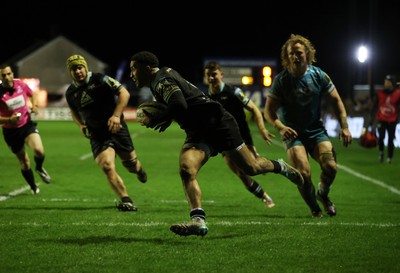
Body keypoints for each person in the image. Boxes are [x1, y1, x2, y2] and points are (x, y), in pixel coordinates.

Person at [129, 51, 304, 237]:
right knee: (187, 169)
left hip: (218, 124)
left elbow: (179, 105)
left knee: (251, 167)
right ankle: (198, 220)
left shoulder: (162, 79)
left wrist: (160, 117)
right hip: (198, 132)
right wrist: (164, 117)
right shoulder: (159, 81)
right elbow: (177, 106)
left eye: (134, 69)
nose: (131, 74)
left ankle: (282, 167)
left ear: (147, 69)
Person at [264, 34, 352, 218]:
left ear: (307, 54)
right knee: (303, 174)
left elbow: (336, 101)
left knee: (331, 167)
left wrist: (344, 126)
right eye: (291, 54)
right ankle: (315, 209)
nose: (295, 57)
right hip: (293, 134)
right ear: (286, 57)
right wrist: (280, 127)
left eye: (298, 53)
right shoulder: (281, 80)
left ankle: (323, 195)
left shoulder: (318, 75)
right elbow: (269, 112)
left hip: (316, 131)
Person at [65, 55, 147, 212]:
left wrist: (116, 116)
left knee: (131, 165)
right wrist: (81, 125)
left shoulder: (100, 79)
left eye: (80, 67)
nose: (78, 71)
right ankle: (126, 200)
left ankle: (139, 171)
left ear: (85, 67)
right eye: (74, 69)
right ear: (70, 72)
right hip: (97, 134)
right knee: (107, 166)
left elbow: (124, 93)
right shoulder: (71, 93)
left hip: (116, 128)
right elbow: (73, 112)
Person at [203, 61, 275, 208]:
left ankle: (278, 166)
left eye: (214, 74)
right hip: (224, 141)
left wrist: (262, 129)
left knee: (254, 167)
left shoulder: (233, 92)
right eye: (208, 75)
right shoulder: (207, 98)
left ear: (221, 74)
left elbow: (254, 108)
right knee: (241, 173)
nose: (211, 78)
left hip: (243, 136)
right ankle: (265, 197)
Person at [0, 64, 51, 195]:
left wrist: (34, 105)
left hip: (26, 125)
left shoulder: (20, 85)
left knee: (39, 151)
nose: (7, 77)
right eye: (3, 75)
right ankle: (33, 187)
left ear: (12, 74)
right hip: (11, 132)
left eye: (8, 74)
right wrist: (9, 120)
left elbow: (32, 94)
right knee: (24, 161)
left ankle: (39, 168)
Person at [372, 74, 400, 164]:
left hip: (392, 120)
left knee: (391, 139)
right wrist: (371, 119)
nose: (386, 83)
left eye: (388, 82)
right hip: (381, 119)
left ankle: (389, 158)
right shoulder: (380, 93)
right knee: (381, 137)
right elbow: (375, 106)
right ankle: (381, 152)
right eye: (385, 82)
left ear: (392, 83)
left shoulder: (398, 93)